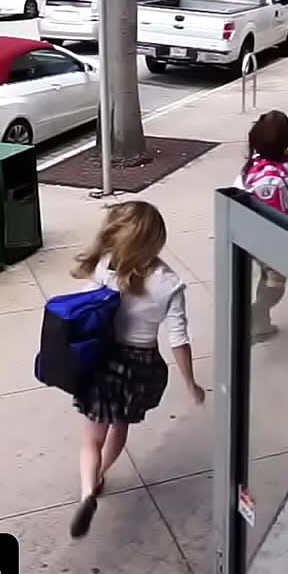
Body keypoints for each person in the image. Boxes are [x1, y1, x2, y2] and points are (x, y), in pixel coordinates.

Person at [68, 201, 206, 538]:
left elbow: (85, 307)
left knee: (91, 437)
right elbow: (179, 339)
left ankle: (88, 490)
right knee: (119, 428)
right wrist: (191, 384)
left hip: (104, 362)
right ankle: (102, 475)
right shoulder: (169, 283)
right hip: (140, 367)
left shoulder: (105, 267)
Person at [234, 110, 288, 342]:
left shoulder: (249, 170)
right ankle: (256, 313)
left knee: (264, 279)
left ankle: (261, 323)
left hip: (249, 237)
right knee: (275, 285)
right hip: (278, 241)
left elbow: (236, 201)